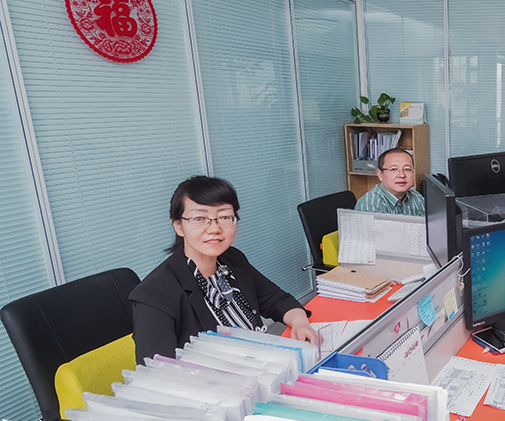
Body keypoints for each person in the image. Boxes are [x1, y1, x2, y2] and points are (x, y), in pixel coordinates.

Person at [130, 175, 319, 363]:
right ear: (178, 226)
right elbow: (158, 373)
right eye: (199, 218)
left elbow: (277, 300)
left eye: (224, 217)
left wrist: (300, 323)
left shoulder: (232, 260)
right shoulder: (153, 295)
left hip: (263, 365)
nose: (214, 228)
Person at [355, 147, 425, 215]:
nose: (402, 175)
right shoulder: (370, 205)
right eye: (394, 169)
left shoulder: (417, 198)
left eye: (407, 169)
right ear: (380, 174)